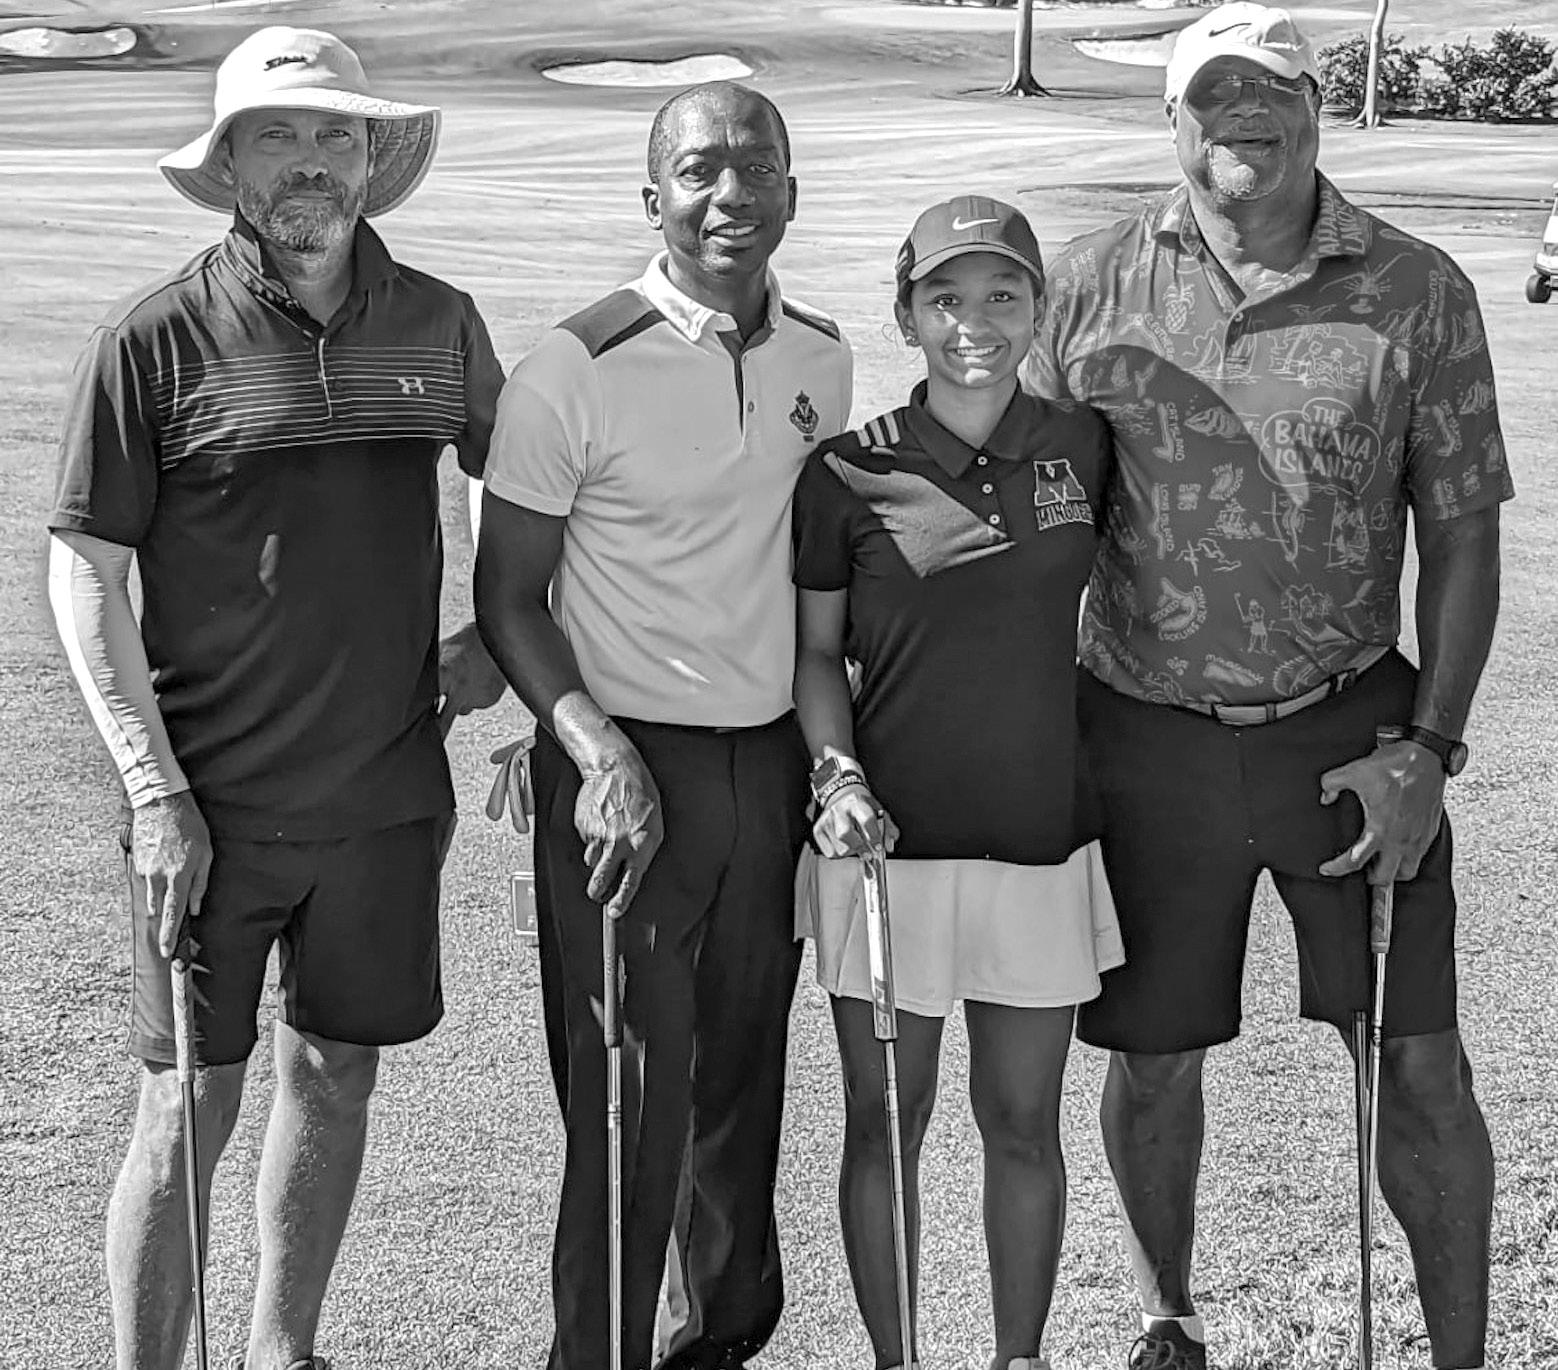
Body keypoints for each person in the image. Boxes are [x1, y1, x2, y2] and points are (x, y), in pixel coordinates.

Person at [1024, 6, 1510, 1368]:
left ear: (1312, 108)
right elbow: (1017, 509)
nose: (1241, 112)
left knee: (1417, 1057)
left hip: (1354, 732)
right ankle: (1165, 1320)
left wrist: (1429, 747)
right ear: (1171, 118)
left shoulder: (1416, 287)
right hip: (1140, 734)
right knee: (1151, 1057)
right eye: (1211, 92)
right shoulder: (1088, 283)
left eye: (1271, 89)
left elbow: (1462, 532)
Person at [46, 28, 506, 1370]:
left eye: (333, 135)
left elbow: (514, 480)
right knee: (185, 1101)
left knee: (337, 1070)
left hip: (383, 796)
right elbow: (84, 569)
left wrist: (494, 627)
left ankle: (280, 1351)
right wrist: (153, 792)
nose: (309, 161)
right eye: (277, 135)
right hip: (209, 811)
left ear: (369, 158)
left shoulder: (439, 319)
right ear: (231, 163)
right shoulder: (152, 339)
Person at [473, 82, 852, 1370]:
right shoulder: (572, 367)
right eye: (699, 171)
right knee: (630, 1098)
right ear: (653, 198)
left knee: (742, 1085)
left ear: (792, 192)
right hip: (625, 777)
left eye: (758, 167)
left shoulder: (821, 359)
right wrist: (595, 749)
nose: (730, 194)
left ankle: (718, 1344)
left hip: (768, 764)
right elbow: (508, 597)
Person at [792, 197, 1123, 1370]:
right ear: (906, 315)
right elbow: (814, 652)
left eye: (1000, 295)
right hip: (890, 847)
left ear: (1038, 307)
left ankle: (1017, 1356)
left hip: (1041, 836)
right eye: (944, 297)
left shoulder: (1083, 442)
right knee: (889, 1120)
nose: (972, 321)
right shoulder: (848, 469)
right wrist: (834, 775)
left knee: (1023, 1122)